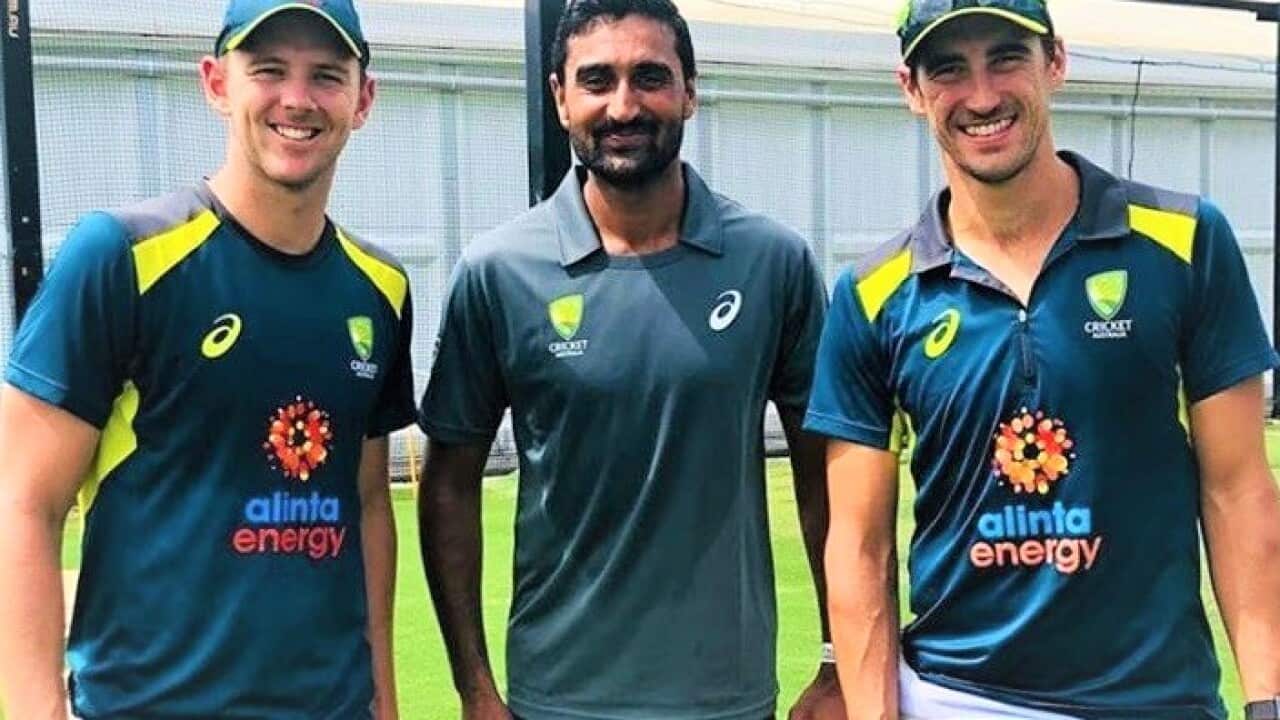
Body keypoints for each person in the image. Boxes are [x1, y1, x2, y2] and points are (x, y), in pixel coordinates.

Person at [806, 1, 1280, 718]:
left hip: (1155, 700)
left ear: (1055, 62)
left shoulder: (1184, 243)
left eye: (1006, 57)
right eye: (949, 69)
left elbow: (1239, 492)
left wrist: (1267, 700)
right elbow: (860, 546)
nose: (983, 95)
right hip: (956, 698)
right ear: (912, 89)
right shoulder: (873, 295)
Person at [417, 1, 842, 718]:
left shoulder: (773, 262)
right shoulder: (497, 271)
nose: (624, 105)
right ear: (559, 98)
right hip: (556, 699)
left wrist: (837, 659)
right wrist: (474, 688)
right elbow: (449, 483)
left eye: (650, 77)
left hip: (725, 698)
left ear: (690, 90)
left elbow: (826, 471)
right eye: (597, 80)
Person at [0, 1, 413, 718]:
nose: (298, 99)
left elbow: (368, 503)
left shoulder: (380, 290)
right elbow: (23, 504)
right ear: (217, 83)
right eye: (269, 70)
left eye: (326, 75)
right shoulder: (121, 257)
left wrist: (385, 704)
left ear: (363, 98)